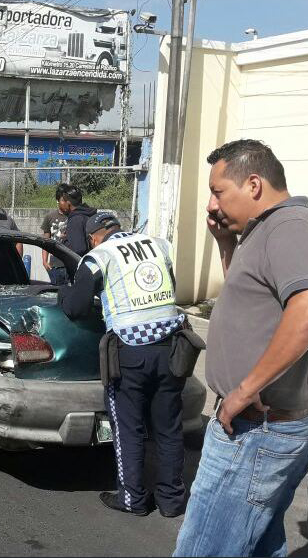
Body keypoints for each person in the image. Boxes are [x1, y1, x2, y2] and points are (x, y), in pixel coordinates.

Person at [173, 139, 308, 557]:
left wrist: (243, 391)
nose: (212, 204)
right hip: (261, 427)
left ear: (254, 184)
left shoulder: (288, 227)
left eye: (218, 191)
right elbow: (252, 301)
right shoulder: (264, 232)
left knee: (203, 550)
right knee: (258, 544)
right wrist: (226, 245)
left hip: (254, 430)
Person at [59, 212, 188, 518]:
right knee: (168, 428)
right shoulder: (159, 244)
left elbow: (76, 307)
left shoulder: (97, 256)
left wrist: (64, 293)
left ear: (93, 237)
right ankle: (171, 501)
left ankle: (133, 499)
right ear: (117, 227)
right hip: (172, 347)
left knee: (128, 428)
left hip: (130, 351)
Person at [40, 184, 70, 285]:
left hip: (71, 264)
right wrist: (44, 261)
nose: (66, 203)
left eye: (68, 200)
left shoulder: (75, 217)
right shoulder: (50, 217)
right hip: (55, 265)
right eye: (63, 200)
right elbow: (46, 240)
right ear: (57, 200)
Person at [59, 185, 98, 257]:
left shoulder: (76, 220)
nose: (60, 204)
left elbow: (78, 249)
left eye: (62, 200)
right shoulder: (89, 214)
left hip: (82, 264)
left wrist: (64, 240)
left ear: (68, 203)